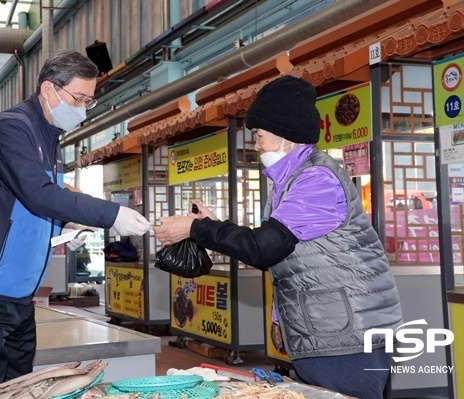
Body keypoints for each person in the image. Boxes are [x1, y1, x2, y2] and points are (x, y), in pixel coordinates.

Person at [154, 75, 402, 399]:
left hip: (349, 333)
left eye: (258, 135)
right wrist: (280, 319)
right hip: (325, 329)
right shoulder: (289, 182)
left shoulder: (318, 179)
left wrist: (194, 229)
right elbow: (288, 255)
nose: (255, 145)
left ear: (286, 133)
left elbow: (264, 248)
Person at [0, 50, 151, 398]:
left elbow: (25, 207)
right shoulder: (7, 130)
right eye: (78, 98)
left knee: (19, 391)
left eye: (89, 100)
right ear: (48, 89)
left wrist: (64, 228)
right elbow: (37, 194)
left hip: (20, 296)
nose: (83, 109)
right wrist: (111, 215)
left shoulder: (49, 137)